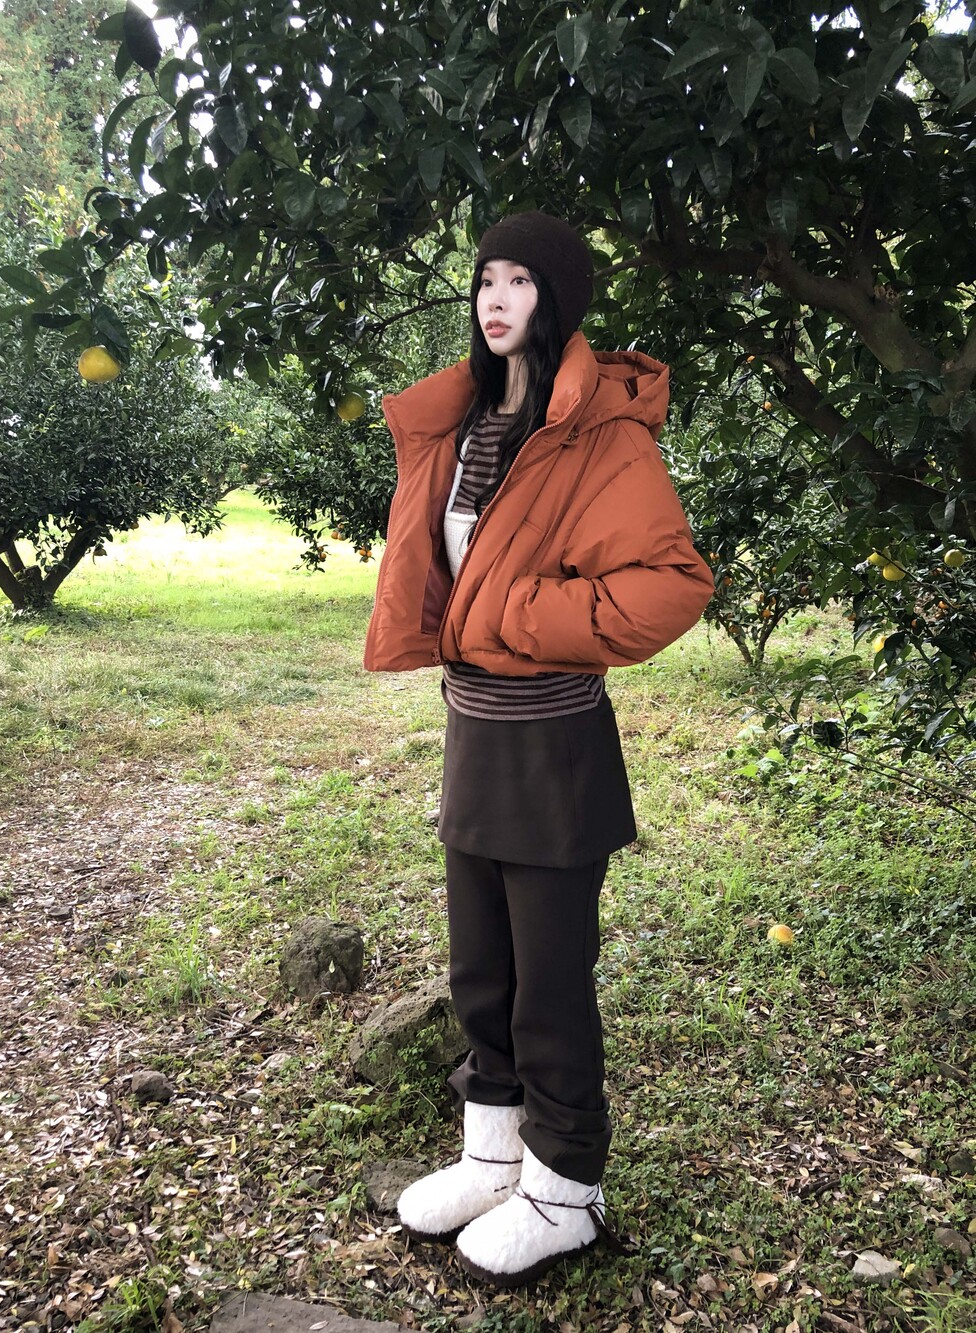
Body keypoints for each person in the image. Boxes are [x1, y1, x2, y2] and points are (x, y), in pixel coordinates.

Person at [363, 210, 714, 1287]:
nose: (495, 297)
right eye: (485, 279)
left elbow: (673, 584)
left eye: (519, 280)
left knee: (549, 983)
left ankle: (564, 1189)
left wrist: (521, 615)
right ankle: (493, 1156)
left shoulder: (602, 437)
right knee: (483, 969)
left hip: (554, 746)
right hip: (473, 733)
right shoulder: (467, 425)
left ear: (554, 300)